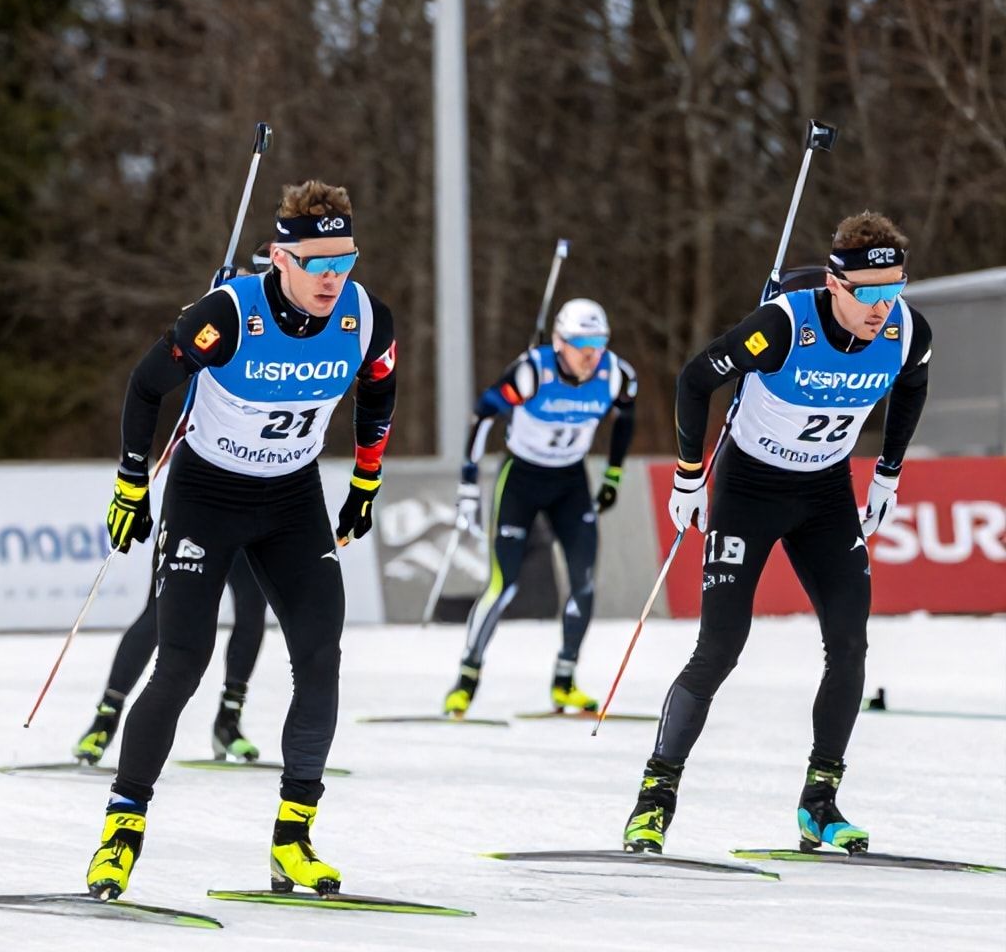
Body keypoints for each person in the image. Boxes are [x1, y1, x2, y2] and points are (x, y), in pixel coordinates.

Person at [87, 181, 397, 899]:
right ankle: (120, 833)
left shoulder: (365, 317)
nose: (332, 277)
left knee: (321, 656)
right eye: (317, 261)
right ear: (279, 257)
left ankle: (293, 840)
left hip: (292, 501)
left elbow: (378, 393)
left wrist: (367, 482)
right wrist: (132, 482)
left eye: (344, 260)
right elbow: (144, 385)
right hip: (207, 497)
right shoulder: (228, 314)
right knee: (182, 664)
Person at [623, 212, 931, 854]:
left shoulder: (907, 331)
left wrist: (888, 474)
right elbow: (695, 379)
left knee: (850, 646)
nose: (882, 308)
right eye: (868, 294)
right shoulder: (783, 325)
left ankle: (820, 803)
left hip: (824, 495)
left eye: (893, 290)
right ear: (835, 284)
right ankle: (656, 796)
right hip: (748, 492)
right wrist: (686, 476)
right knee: (722, 646)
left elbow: (912, 387)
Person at [441, 298, 637, 718]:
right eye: (581, 342)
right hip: (522, 479)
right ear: (559, 341)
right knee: (504, 584)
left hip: (570, 482)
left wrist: (614, 475)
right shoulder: (532, 371)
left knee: (584, 582)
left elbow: (626, 416)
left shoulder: (616, 374)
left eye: (599, 342)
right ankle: (466, 681)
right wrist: (469, 485)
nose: (591, 353)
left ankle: (565, 682)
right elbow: (482, 415)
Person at [74, 551, 267, 765]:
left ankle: (228, 722)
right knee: (159, 610)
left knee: (253, 605)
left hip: (249, 523)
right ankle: (105, 719)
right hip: (192, 522)